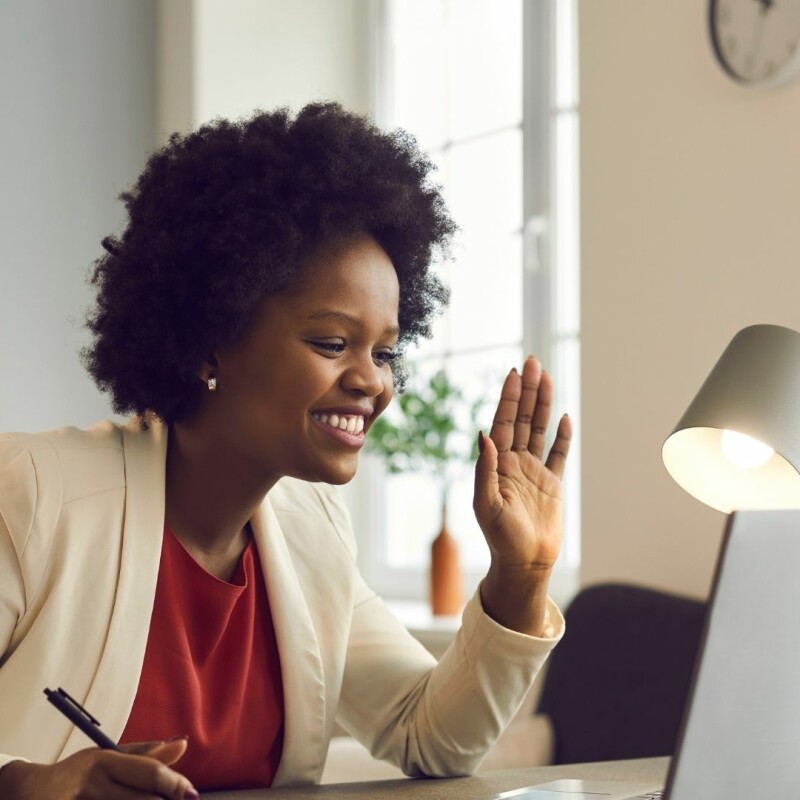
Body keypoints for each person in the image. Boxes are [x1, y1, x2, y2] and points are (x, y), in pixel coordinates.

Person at [0, 102, 572, 798]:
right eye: (332, 342)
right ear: (211, 340)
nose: (372, 382)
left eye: (384, 352)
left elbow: (430, 736)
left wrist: (522, 573)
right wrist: (29, 785)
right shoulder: (31, 494)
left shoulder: (310, 532)